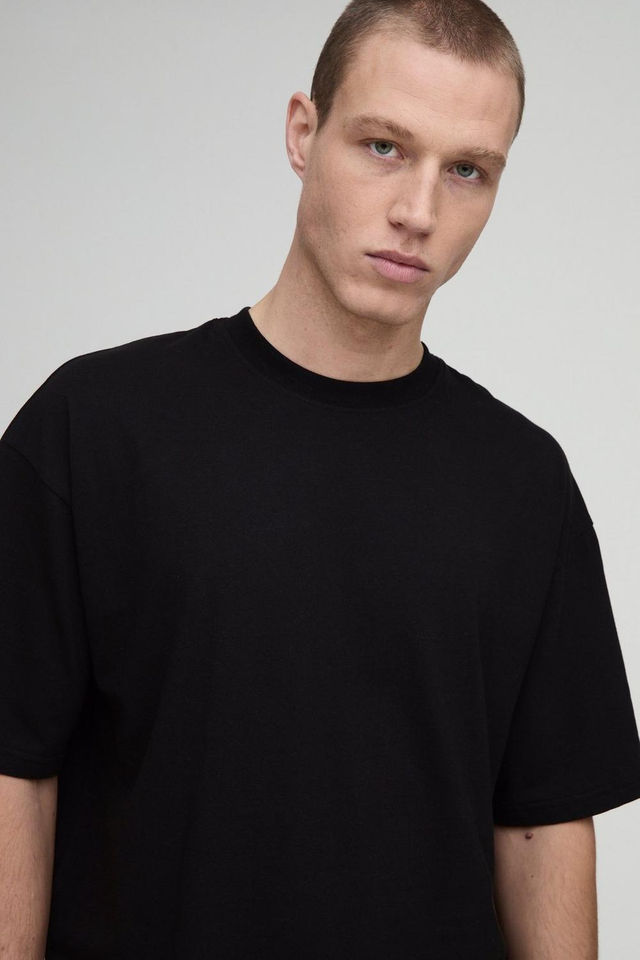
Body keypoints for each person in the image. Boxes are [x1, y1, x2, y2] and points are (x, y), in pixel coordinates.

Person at [1, 0, 639, 956]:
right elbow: (14, 768)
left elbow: (541, 827)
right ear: (304, 133)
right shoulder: (92, 429)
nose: (419, 211)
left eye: (467, 170)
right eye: (384, 146)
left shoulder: (525, 484)